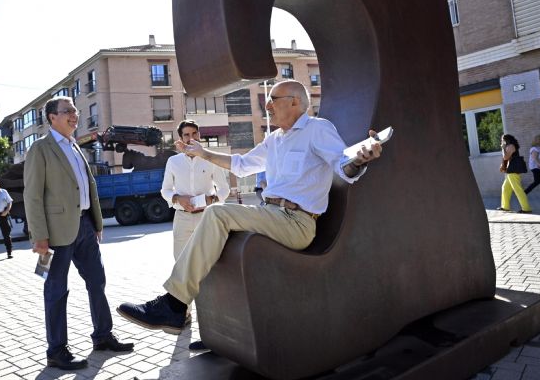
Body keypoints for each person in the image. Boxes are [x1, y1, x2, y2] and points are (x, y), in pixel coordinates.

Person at [116, 80, 383, 335]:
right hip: (272, 214)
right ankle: (206, 317)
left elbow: (343, 163)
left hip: (296, 222)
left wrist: (360, 160)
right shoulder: (275, 139)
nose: (267, 106)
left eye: (272, 100)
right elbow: (242, 165)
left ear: (294, 103)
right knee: (215, 230)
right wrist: (203, 153)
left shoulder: (318, 129)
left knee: (217, 213)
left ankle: (174, 304)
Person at [24, 96, 134, 370]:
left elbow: (86, 186)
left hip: (84, 226)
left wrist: (96, 222)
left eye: (75, 110)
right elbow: (33, 196)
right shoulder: (41, 149)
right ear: (52, 117)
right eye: (68, 111)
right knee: (55, 289)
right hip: (54, 234)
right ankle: (57, 350)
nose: (75, 115)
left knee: (97, 281)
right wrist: (39, 236)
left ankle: (103, 336)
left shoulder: (74, 145)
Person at [160, 120, 230, 351]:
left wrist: (207, 200)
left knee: (206, 272)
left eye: (194, 134)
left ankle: (210, 328)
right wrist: (179, 200)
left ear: (199, 135)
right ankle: (182, 314)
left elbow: (224, 190)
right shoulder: (173, 161)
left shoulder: (210, 158)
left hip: (206, 219)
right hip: (181, 220)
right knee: (181, 266)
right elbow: (165, 190)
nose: (191, 138)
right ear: (180, 138)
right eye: (186, 135)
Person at [498, 134, 532, 213]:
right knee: (505, 188)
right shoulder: (509, 146)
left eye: (502, 140)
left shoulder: (511, 146)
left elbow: (506, 157)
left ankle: (526, 208)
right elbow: (507, 159)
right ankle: (505, 206)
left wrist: (503, 148)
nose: (501, 141)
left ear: (506, 140)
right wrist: (502, 166)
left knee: (518, 190)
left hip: (513, 172)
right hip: (510, 172)